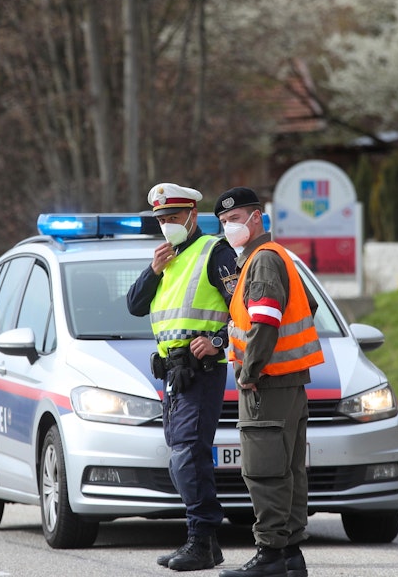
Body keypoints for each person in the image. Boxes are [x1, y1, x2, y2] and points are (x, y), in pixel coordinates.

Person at [127, 182, 238, 572]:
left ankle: (202, 539)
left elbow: (242, 305)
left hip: (202, 372)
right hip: (173, 377)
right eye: (161, 220)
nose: (167, 225)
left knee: (189, 455)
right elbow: (134, 305)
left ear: (193, 214)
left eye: (173, 217)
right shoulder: (167, 260)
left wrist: (219, 341)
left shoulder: (215, 252)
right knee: (180, 461)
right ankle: (205, 542)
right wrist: (152, 270)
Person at [214, 187, 324, 577]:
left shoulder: (260, 262)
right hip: (290, 381)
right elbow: (307, 305)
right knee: (290, 470)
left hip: (266, 382)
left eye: (236, 218)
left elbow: (264, 321)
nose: (230, 227)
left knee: (263, 471)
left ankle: (270, 555)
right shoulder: (278, 256)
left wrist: (250, 372)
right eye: (224, 222)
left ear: (257, 218)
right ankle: (291, 554)